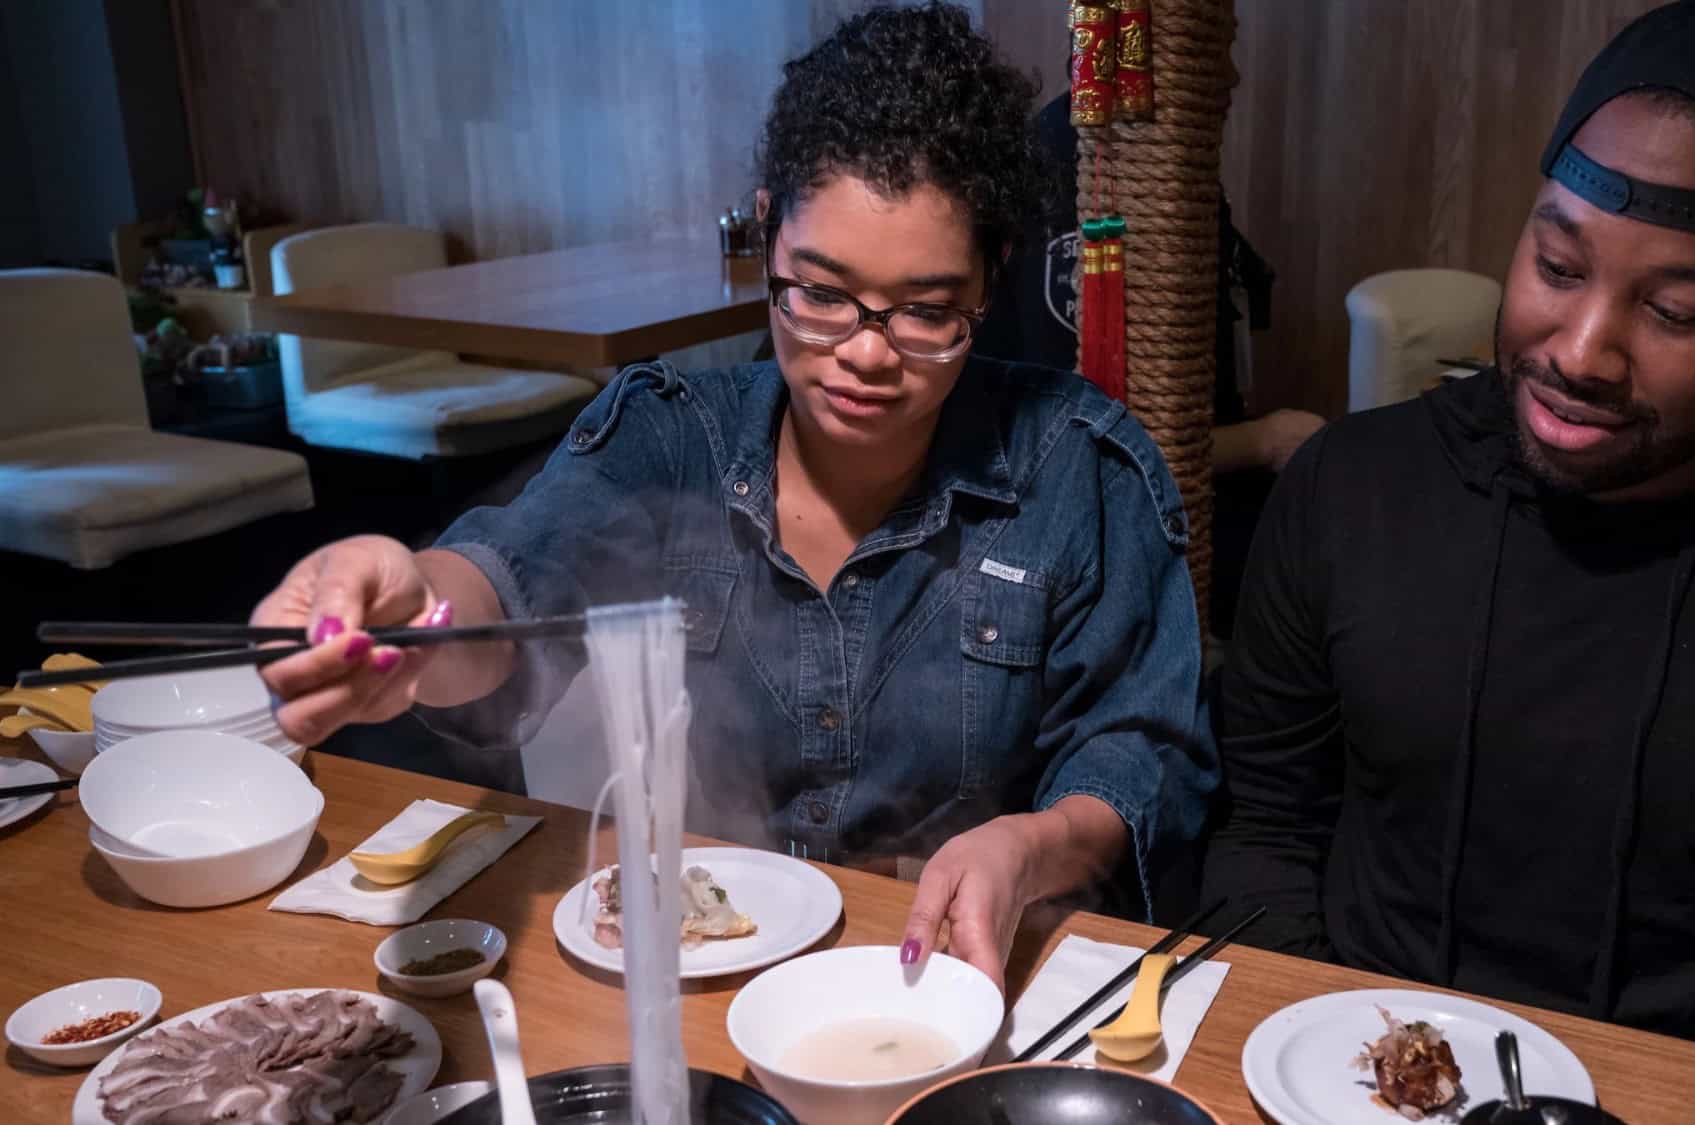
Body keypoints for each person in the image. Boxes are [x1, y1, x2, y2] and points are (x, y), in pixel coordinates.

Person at [251, 2, 1216, 989]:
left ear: (990, 280)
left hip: (953, 985)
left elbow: (1141, 756)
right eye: (822, 292)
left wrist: (1031, 844)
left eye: (927, 311)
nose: (866, 353)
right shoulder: (671, 434)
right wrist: (417, 608)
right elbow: (508, 591)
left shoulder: (1081, 470)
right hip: (721, 969)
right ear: (766, 234)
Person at [1204, 0, 1695, 1085]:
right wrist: (1340, 1077)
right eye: (1557, 267)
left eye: (1672, 310)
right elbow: (1264, 837)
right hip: (1341, 1065)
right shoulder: (1350, 489)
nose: (1580, 352)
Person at [972, 91, 1319, 638]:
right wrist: (1266, 442)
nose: (1229, 76)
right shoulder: (1088, 177)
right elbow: (1094, 444)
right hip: (1104, 519)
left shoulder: (1144, 155)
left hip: (1191, 486)